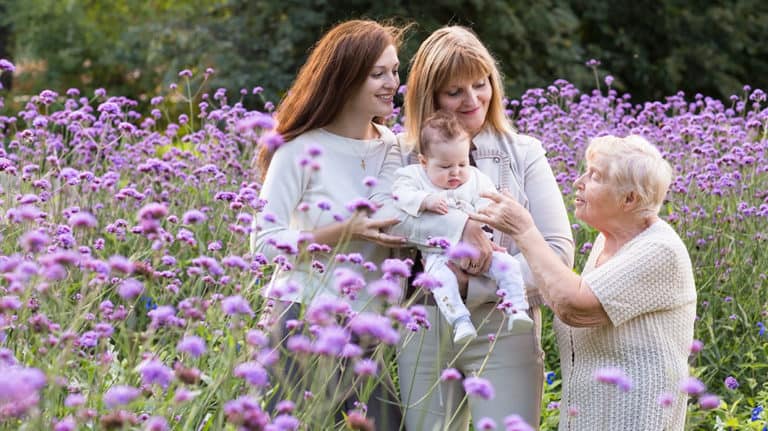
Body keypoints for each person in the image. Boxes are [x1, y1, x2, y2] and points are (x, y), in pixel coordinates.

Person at [371, 26, 574, 430]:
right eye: (454, 91)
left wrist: (471, 288)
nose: (473, 100)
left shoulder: (524, 153)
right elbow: (385, 215)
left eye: (480, 85)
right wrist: (459, 224)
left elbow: (556, 254)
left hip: (504, 327)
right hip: (423, 325)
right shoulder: (400, 151)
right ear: (429, 96)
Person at [471, 135, 697, 430]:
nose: (579, 181)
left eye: (595, 176)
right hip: (590, 416)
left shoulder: (658, 250)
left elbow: (573, 306)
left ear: (629, 199)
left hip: (636, 419)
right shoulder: (608, 242)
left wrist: (524, 231)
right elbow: (557, 291)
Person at [250, 19, 409, 429]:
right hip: (302, 320)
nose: (392, 82)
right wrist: (344, 232)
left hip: (372, 329)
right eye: (378, 74)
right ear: (345, 78)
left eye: (394, 70)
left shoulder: (397, 147)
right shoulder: (299, 148)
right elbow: (264, 244)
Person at [391, 110, 533, 344]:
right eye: (445, 166)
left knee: (507, 264)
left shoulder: (475, 178)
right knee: (441, 282)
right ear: (424, 162)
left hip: (479, 248)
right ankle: (460, 321)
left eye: (462, 163)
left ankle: (517, 306)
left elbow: (488, 202)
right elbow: (399, 194)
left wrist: (475, 221)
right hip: (439, 254)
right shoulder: (413, 176)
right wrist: (424, 200)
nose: (456, 172)